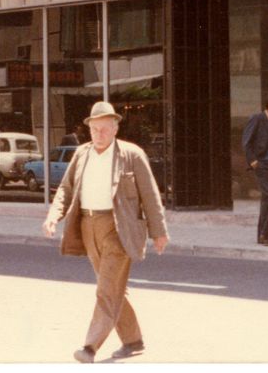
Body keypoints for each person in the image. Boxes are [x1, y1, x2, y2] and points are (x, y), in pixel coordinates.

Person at [41, 101, 168, 364]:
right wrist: (54, 216)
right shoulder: (82, 153)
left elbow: (150, 194)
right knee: (111, 286)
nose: (99, 134)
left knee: (106, 290)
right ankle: (133, 340)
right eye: (95, 129)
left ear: (115, 128)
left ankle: (89, 347)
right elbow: (65, 189)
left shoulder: (132, 154)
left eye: (104, 129)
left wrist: (159, 231)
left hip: (118, 227)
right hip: (88, 226)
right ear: (89, 129)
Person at [241, 96, 268, 246]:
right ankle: (262, 234)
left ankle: (264, 234)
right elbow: (246, 142)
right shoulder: (257, 118)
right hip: (262, 163)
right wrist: (253, 162)